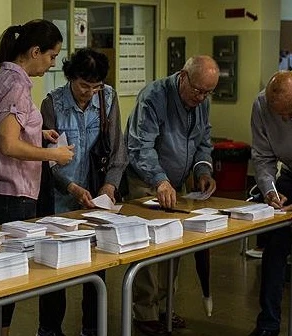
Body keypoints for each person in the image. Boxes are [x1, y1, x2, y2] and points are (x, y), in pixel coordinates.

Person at [0, 19, 73, 336]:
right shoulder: (18, 85)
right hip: (13, 192)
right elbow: (8, 143)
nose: (52, 63)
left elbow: (6, 129)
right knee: (8, 278)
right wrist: (53, 155)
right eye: (51, 56)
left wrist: (37, 131)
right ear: (35, 51)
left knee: (2, 275)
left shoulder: (1, 76)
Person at [125, 55, 219, 336]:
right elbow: (141, 146)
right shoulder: (154, 97)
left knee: (173, 246)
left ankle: (165, 307)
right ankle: (144, 313)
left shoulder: (202, 102)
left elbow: (204, 140)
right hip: (145, 180)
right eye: (197, 90)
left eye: (207, 92)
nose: (201, 97)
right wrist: (160, 180)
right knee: (148, 246)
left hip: (176, 183)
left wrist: (203, 169)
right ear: (183, 76)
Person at [37, 48, 127, 336]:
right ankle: (49, 329)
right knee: (55, 268)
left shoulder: (108, 98)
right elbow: (47, 159)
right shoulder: (52, 104)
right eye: (83, 86)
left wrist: (110, 185)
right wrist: (70, 187)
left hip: (96, 198)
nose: (89, 92)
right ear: (70, 78)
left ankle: (92, 327)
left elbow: (117, 150)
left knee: (96, 267)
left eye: (95, 86)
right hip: (60, 197)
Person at [248, 71, 292, 336]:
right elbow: (263, 157)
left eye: (290, 113)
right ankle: (268, 325)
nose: (285, 119)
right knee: (275, 247)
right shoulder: (262, 105)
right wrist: (270, 190)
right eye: (281, 115)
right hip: (288, 174)